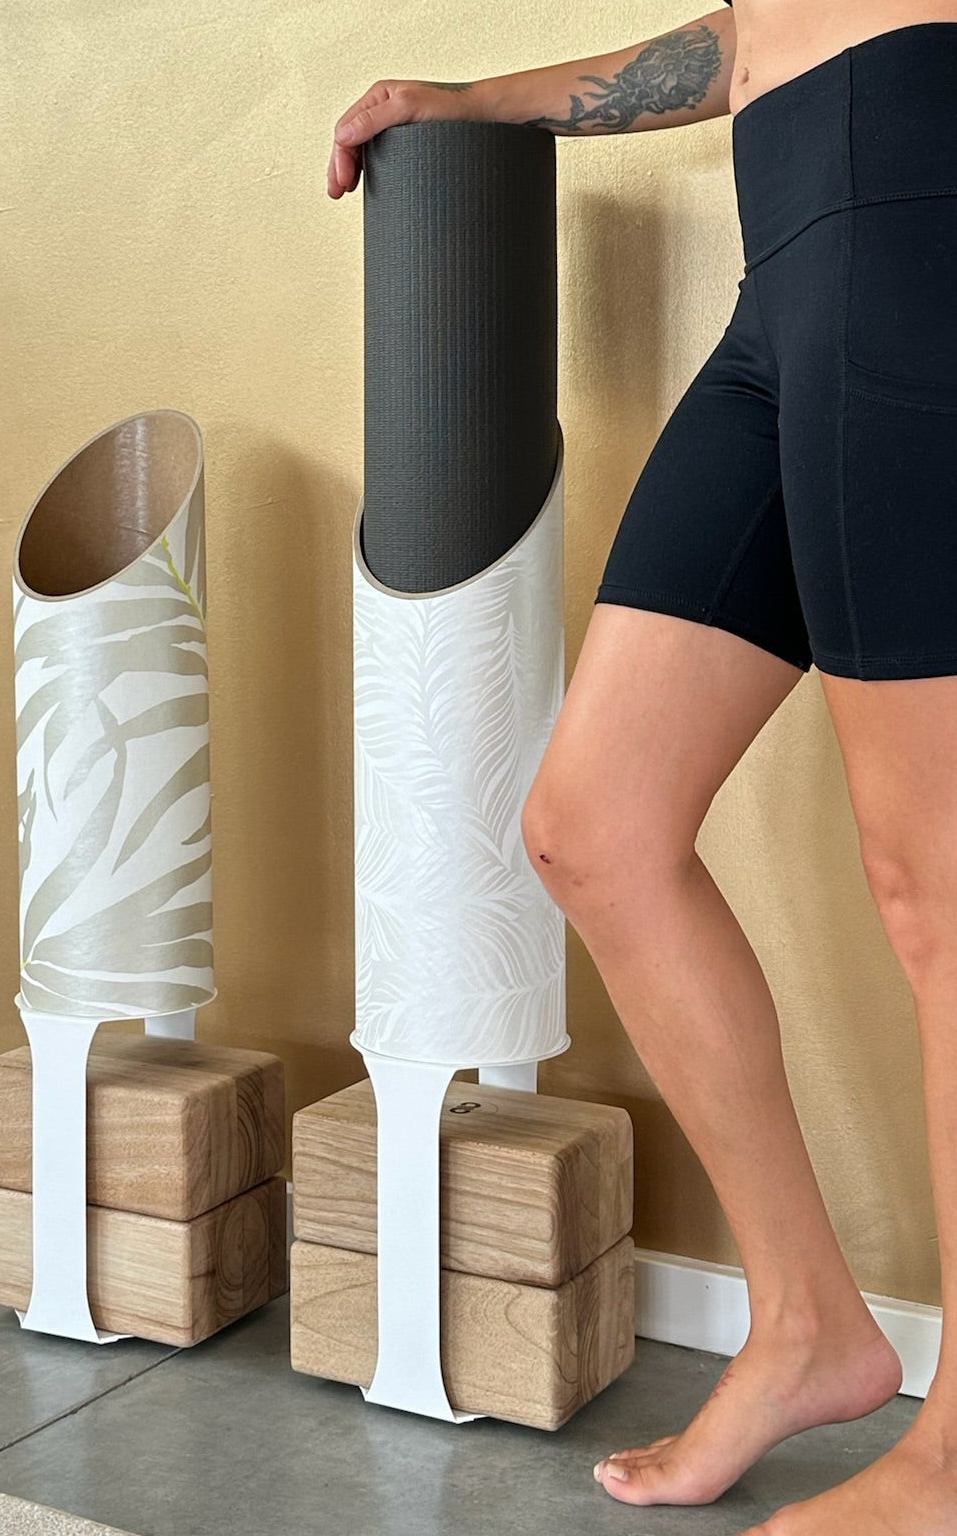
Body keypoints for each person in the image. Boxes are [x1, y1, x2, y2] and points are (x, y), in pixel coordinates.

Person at [328, 6, 957, 1534]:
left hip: (918, 203)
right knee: (593, 826)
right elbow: (749, 40)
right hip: (792, 241)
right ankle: (809, 1329)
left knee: (935, 885)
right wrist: (475, 101)